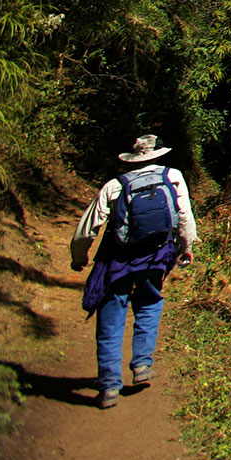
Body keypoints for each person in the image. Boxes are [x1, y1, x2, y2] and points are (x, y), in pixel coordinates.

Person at [70, 135, 199, 409]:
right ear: (158, 155)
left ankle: (109, 387)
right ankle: (141, 365)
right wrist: (186, 247)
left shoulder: (115, 186)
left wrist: (79, 257)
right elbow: (185, 216)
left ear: (134, 158)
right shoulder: (172, 177)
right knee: (149, 304)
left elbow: (88, 227)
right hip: (156, 257)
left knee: (110, 319)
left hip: (118, 261)